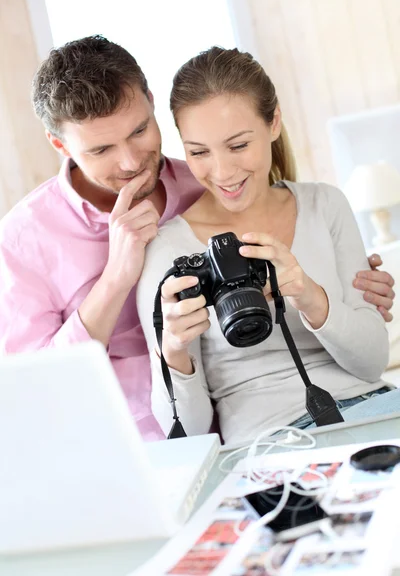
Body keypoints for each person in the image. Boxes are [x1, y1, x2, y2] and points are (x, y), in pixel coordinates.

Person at [0, 37, 394, 442]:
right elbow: (39, 392)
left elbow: (366, 345)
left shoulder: (209, 181)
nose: (131, 162)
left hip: (335, 406)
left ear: (152, 103)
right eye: (101, 149)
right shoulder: (22, 240)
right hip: (128, 438)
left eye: (139, 131)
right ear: (60, 145)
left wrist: (343, 290)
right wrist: (119, 279)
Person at [137, 47, 397, 445]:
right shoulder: (166, 249)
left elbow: (373, 362)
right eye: (199, 152)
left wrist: (310, 296)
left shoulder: (325, 204)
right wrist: (172, 351)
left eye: (239, 145)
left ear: (273, 122)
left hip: (376, 407)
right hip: (272, 442)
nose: (222, 173)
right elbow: (186, 430)